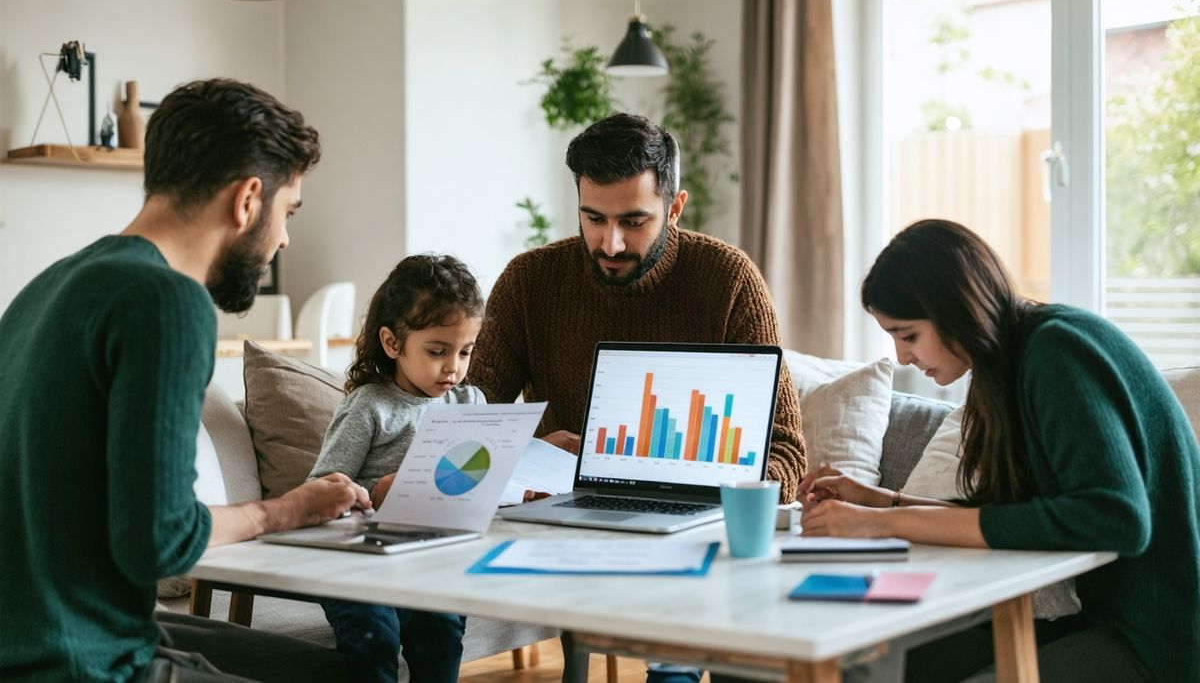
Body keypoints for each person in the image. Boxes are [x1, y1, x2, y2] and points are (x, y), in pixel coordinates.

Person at [0, 79, 372, 682]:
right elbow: (159, 540)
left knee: (333, 670)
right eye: (287, 213)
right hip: (81, 663)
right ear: (248, 199)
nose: (284, 238)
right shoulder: (167, 300)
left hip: (34, 639)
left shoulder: (45, 289)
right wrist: (286, 509)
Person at [469, 113, 807, 683]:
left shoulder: (728, 280)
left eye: (634, 220)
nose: (611, 242)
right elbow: (471, 428)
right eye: (593, 218)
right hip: (568, 525)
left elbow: (787, 453)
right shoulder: (529, 281)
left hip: (697, 528)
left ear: (675, 208)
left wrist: (705, 493)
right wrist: (531, 450)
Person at [797, 219, 1199, 681]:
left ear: (955, 309)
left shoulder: (1057, 352)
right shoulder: (1007, 365)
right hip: (1106, 620)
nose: (902, 356)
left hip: (1161, 641)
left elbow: (1117, 519)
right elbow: (1008, 513)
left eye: (908, 335)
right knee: (890, 665)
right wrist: (882, 499)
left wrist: (878, 523)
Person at [306, 254, 486, 683]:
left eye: (465, 351)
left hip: (429, 559)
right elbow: (319, 488)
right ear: (392, 344)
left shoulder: (468, 404)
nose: (453, 367)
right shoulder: (370, 406)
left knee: (441, 632)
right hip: (357, 565)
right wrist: (371, 494)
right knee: (375, 638)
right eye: (438, 351)